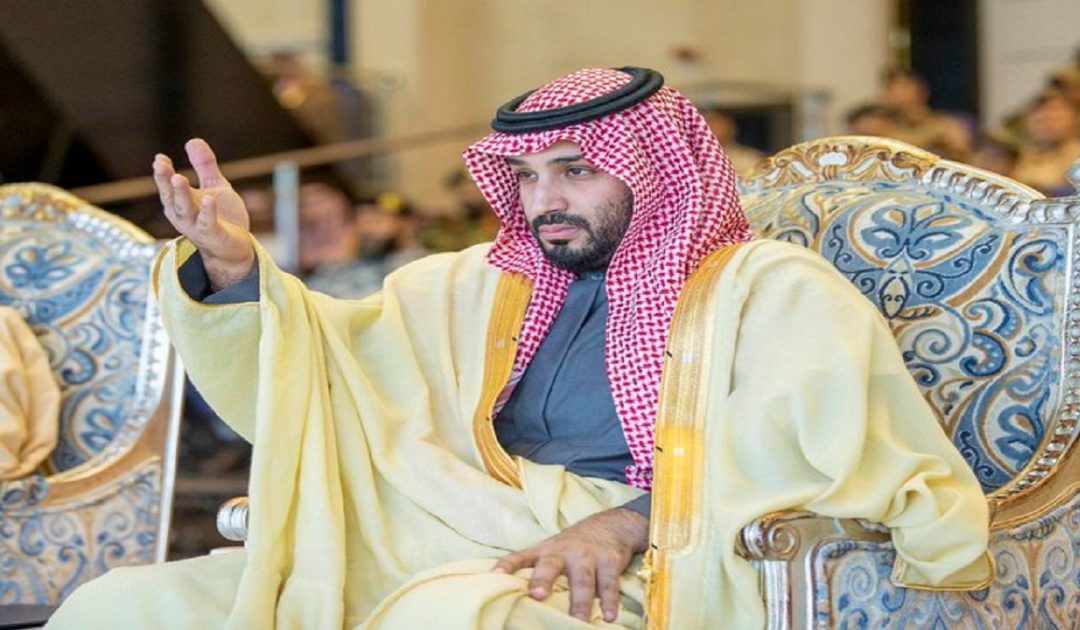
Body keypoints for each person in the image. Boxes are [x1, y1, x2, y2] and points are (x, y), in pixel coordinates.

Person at [49, 67, 991, 628]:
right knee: (123, 608)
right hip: (432, 537)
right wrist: (231, 263)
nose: (544, 201)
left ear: (652, 170)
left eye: (575, 171)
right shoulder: (475, 284)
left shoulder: (769, 292)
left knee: (450, 617)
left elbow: (821, 456)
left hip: (644, 567)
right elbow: (328, 367)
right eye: (528, 176)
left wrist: (628, 522)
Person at [878, 68, 973, 161]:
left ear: (919, 90)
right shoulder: (884, 128)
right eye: (890, 88)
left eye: (902, 88)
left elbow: (963, 156)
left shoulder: (944, 125)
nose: (895, 94)